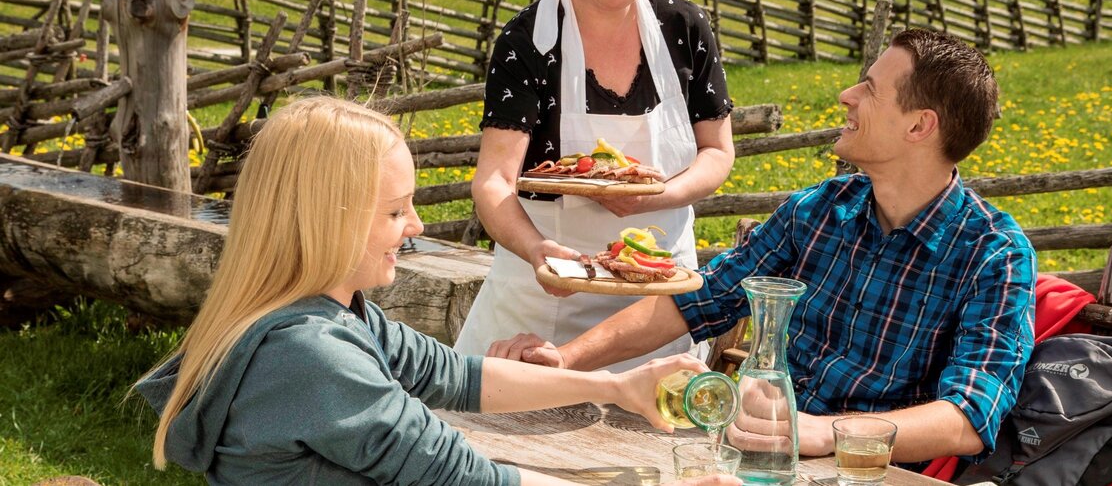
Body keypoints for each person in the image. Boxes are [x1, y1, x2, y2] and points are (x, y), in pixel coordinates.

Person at [488, 28, 1038, 466]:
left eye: (870, 89)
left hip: (863, 470)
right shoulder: (820, 208)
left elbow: (968, 417)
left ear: (919, 126)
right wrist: (565, 360)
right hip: (752, 455)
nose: (846, 96)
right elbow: (699, 300)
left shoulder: (994, 253)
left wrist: (819, 432)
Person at [133, 97, 737, 486]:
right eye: (396, 211)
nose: (417, 226)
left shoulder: (326, 316)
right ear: (328, 219)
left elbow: (454, 375)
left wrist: (615, 387)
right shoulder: (311, 356)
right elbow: (463, 475)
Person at [454, 0, 735, 372]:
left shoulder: (685, 28)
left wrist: (659, 197)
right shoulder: (529, 41)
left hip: (653, 304)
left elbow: (717, 152)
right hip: (543, 303)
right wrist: (537, 250)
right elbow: (494, 181)